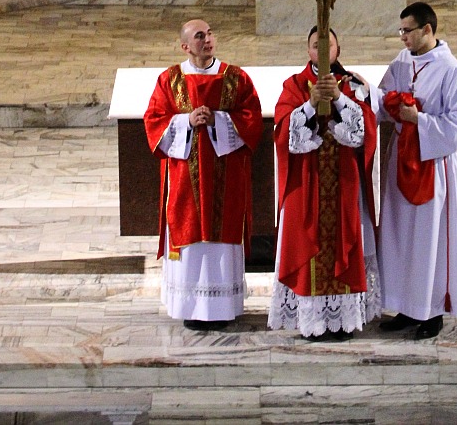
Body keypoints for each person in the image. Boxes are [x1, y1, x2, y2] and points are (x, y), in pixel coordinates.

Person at [144, 19, 263, 330]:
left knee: (221, 238)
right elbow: (154, 121)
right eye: (200, 36)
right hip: (185, 178)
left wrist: (217, 121)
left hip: (227, 176)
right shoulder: (170, 80)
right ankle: (191, 307)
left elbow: (252, 119)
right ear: (185, 46)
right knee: (190, 238)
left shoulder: (236, 78)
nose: (208, 40)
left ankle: (222, 307)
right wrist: (186, 121)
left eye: (210, 33)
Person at [268, 26, 380, 339]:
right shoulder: (293, 85)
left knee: (343, 241)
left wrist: (340, 99)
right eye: (315, 45)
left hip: (343, 182)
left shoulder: (353, 84)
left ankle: (342, 320)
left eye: (327, 44)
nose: (321, 50)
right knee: (307, 245)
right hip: (306, 183)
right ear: (308, 52)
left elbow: (365, 131)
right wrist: (309, 103)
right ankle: (313, 321)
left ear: (337, 49)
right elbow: (282, 133)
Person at [377, 1, 457, 340]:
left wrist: (420, 120)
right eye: (400, 31)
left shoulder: (450, 70)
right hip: (400, 159)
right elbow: (383, 97)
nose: (402, 37)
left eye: (407, 31)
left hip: (432, 164)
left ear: (427, 30)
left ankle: (431, 311)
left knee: (430, 238)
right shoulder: (403, 61)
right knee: (401, 233)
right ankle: (405, 305)